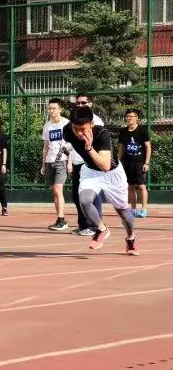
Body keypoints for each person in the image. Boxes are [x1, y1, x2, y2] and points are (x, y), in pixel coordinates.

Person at [63, 106, 139, 256]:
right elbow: (69, 147)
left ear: (92, 124)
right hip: (90, 171)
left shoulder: (102, 134)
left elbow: (105, 166)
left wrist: (89, 148)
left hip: (112, 174)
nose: (79, 133)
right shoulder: (67, 131)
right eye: (76, 129)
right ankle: (101, 229)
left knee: (124, 213)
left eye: (83, 129)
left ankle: (131, 238)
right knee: (84, 201)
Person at [70, 94, 103, 236]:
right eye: (78, 103)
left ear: (90, 104)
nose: (80, 105)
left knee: (92, 196)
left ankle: (96, 226)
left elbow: (98, 143)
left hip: (90, 164)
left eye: (83, 102)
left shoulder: (97, 121)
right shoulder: (73, 121)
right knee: (77, 195)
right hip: (77, 162)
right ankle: (83, 225)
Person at [41, 98, 71, 231]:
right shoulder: (47, 125)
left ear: (60, 109)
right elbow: (45, 146)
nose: (51, 111)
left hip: (62, 160)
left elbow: (71, 145)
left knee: (58, 190)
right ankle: (60, 219)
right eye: (49, 108)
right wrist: (43, 164)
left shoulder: (66, 123)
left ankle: (61, 219)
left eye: (54, 108)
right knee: (54, 192)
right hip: (49, 161)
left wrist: (70, 162)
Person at [118, 108, 151, 218]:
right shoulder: (123, 131)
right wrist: (118, 162)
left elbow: (148, 147)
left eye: (131, 116)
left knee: (142, 186)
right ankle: (133, 210)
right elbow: (121, 148)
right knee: (130, 187)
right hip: (127, 163)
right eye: (127, 116)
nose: (129, 118)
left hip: (140, 163)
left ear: (136, 118)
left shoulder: (142, 131)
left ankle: (144, 209)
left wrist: (146, 163)